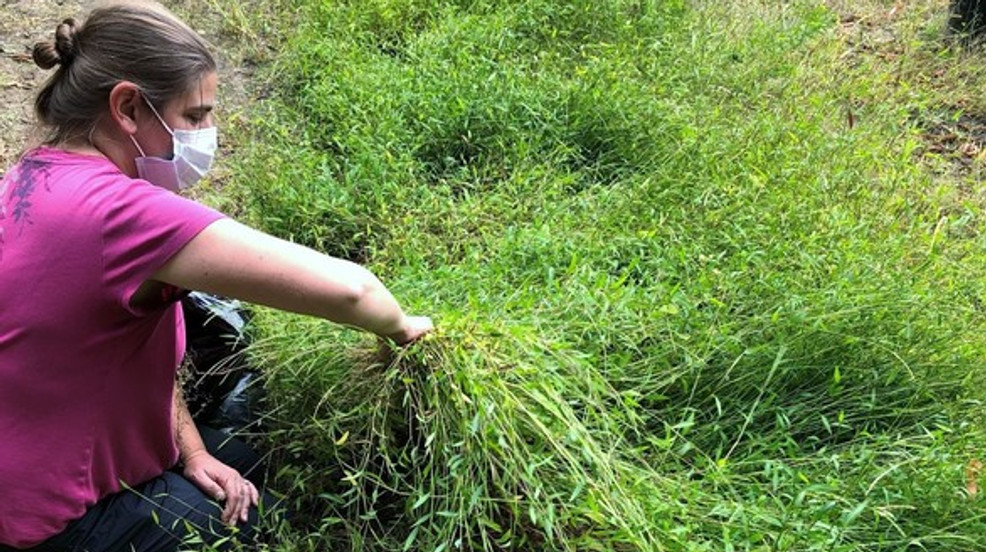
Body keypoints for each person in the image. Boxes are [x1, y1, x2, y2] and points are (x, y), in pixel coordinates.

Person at [0, 2, 433, 551]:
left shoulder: (33, 172)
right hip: (53, 518)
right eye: (196, 117)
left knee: (245, 457)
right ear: (128, 106)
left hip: (29, 465)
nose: (209, 135)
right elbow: (353, 290)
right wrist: (404, 329)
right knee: (270, 530)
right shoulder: (120, 212)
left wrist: (195, 451)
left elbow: (122, 357)